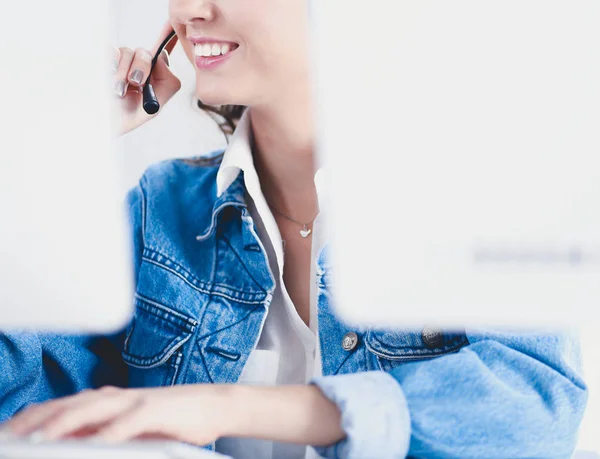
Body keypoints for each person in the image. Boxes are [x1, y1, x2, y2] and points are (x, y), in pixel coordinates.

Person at [0, 1, 589, 458]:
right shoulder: (163, 209)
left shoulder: (473, 194)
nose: (189, 10)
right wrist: (48, 157)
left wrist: (228, 408)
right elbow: (19, 406)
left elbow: (537, 406)